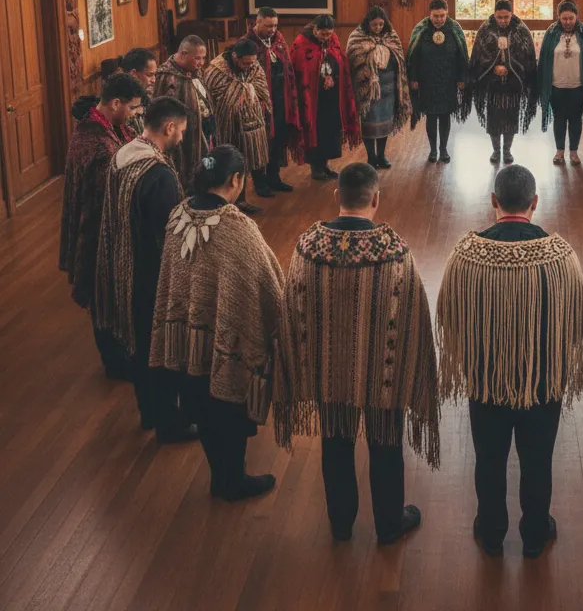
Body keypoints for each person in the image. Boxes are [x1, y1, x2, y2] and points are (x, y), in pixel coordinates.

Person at [275, 163, 440, 544]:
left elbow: (292, 309)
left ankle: (341, 521)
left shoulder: (308, 247)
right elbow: (415, 316)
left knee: (335, 443)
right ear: (376, 199)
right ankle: (388, 525)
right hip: (383, 372)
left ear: (337, 198)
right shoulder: (395, 252)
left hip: (329, 371)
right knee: (386, 445)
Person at [436, 165, 583, 559]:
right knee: (538, 460)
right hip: (542, 380)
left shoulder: (466, 254)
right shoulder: (560, 256)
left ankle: (491, 533)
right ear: (534, 203)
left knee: (489, 459)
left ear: (493, 202)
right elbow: (576, 325)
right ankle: (535, 535)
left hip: (486, 379)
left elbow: (450, 319)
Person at [150, 144, 284, 500]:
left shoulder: (178, 214)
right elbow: (268, 282)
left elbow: (171, 277)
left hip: (186, 339)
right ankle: (233, 479)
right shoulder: (236, 227)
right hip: (228, 338)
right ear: (235, 179)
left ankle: (219, 477)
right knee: (230, 411)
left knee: (200, 407)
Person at [94, 96, 195, 443]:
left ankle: (149, 413)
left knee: (139, 348)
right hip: (150, 274)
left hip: (123, 265)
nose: (182, 137)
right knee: (162, 350)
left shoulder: (125, 153)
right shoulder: (159, 175)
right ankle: (171, 424)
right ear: (169, 127)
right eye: (181, 131)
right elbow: (167, 234)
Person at [59, 72, 146, 379]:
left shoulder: (107, 127)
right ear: (116, 102)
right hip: (97, 230)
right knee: (102, 291)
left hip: (101, 225)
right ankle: (113, 359)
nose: (135, 114)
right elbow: (105, 198)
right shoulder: (97, 143)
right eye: (133, 108)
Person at [204, 39, 271, 216]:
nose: (249, 66)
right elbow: (212, 95)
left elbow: (261, 87)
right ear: (235, 56)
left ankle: (241, 200)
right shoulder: (216, 70)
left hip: (250, 124)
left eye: (252, 62)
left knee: (243, 162)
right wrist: (242, 90)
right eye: (245, 63)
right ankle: (225, 202)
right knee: (228, 162)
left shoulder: (254, 67)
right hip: (225, 124)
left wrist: (247, 90)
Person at [290, 14, 361, 180]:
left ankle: (325, 164)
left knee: (329, 130)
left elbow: (340, 62)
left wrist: (333, 76)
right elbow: (300, 69)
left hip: (331, 96)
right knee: (315, 130)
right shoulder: (301, 43)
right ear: (315, 29)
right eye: (323, 34)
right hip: (312, 99)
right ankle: (315, 166)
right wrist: (319, 78)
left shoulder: (332, 40)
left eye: (329, 34)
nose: (327, 37)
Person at [468, 0, 539, 166]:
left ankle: (507, 151)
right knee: (494, 119)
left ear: (511, 14)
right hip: (492, 84)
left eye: (506, 17)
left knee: (510, 118)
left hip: (513, 84)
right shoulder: (485, 30)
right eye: (499, 17)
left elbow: (526, 55)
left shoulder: (521, 30)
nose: (503, 21)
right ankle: (496, 150)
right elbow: (479, 56)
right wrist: (493, 68)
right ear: (494, 15)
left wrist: (510, 67)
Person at [346, 6, 412, 169]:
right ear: (368, 23)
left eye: (381, 24)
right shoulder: (357, 37)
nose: (378, 28)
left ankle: (381, 156)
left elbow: (400, 59)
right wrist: (369, 64)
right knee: (369, 123)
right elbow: (353, 58)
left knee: (385, 123)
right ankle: (371, 157)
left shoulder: (391, 36)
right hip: (368, 91)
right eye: (374, 25)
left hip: (388, 88)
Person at [537, 0, 583, 167]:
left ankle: (573, 152)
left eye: (571, 18)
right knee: (559, 118)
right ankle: (559, 152)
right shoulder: (551, 33)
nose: (567, 22)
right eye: (564, 19)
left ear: (576, 17)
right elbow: (543, 60)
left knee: (575, 119)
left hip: (578, 86)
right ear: (558, 17)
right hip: (556, 86)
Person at [406, 0, 470, 164]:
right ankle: (433, 150)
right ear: (430, 14)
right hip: (427, 80)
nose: (439, 19)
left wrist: (461, 78)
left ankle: (444, 149)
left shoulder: (454, 29)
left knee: (445, 115)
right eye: (436, 16)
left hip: (448, 81)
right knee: (431, 115)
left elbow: (462, 56)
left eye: (442, 15)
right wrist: (413, 77)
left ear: (447, 13)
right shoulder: (421, 29)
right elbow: (413, 57)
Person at [246, 7, 301, 197]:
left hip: (280, 99)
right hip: (259, 103)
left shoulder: (278, 40)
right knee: (262, 142)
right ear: (257, 22)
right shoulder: (247, 44)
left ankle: (275, 178)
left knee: (278, 139)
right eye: (268, 25)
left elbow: (288, 69)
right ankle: (260, 183)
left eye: (275, 25)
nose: (272, 29)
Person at [153, 35, 216, 192]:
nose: (202, 63)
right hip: (184, 142)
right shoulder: (167, 78)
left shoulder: (195, 71)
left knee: (208, 169)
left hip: (206, 135)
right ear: (183, 54)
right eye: (198, 58)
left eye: (203, 58)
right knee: (188, 179)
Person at [102, 48, 158, 137]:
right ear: (133, 74)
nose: (154, 80)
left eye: (155, 75)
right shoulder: (121, 99)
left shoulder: (144, 96)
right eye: (149, 75)